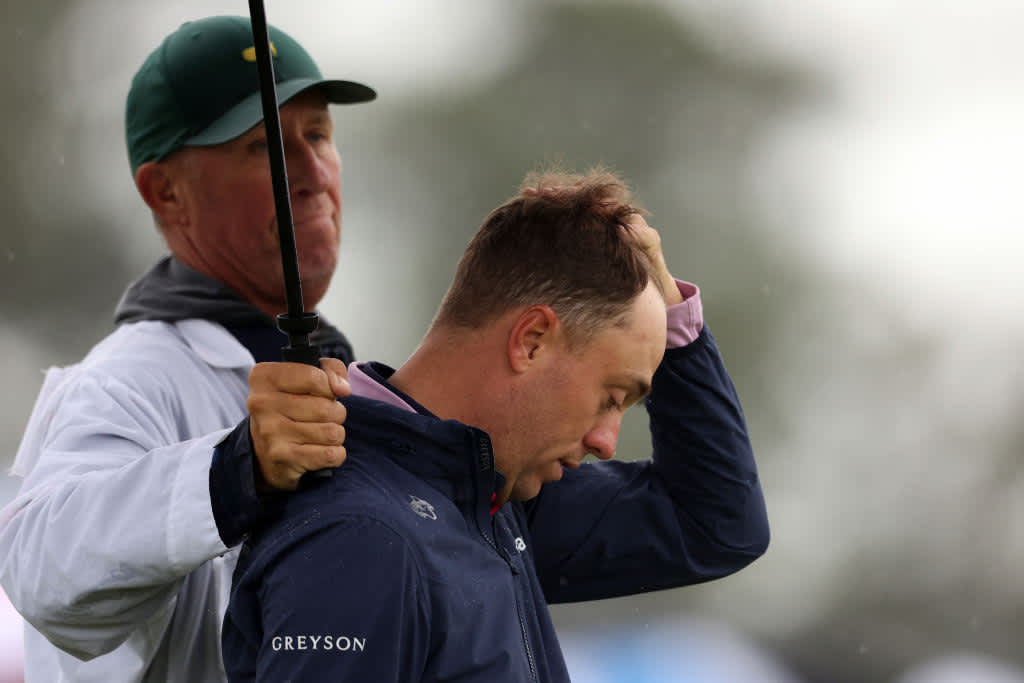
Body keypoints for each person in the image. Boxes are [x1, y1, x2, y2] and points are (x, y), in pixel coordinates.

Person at [223, 168, 770, 682]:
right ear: (531, 341)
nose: (606, 442)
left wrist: (672, 322)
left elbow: (714, 524)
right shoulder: (365, 537)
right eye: (611, 396)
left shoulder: (492, 499)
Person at [0, 15, 374, 682]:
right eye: (266, 147)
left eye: (319, 134)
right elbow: (37, 563)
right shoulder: (125, 379)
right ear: (165, 192)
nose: (314, 171)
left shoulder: (343, 369)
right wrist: (237, 471)